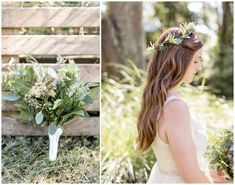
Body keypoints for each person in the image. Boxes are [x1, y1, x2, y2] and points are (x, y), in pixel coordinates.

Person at [136, 23, 229, 183]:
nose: (199, 67)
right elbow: (190, 177)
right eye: (195, 61)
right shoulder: (175, 108)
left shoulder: (160, 101)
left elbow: (180, 165)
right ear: (178, 61)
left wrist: (208, 174)